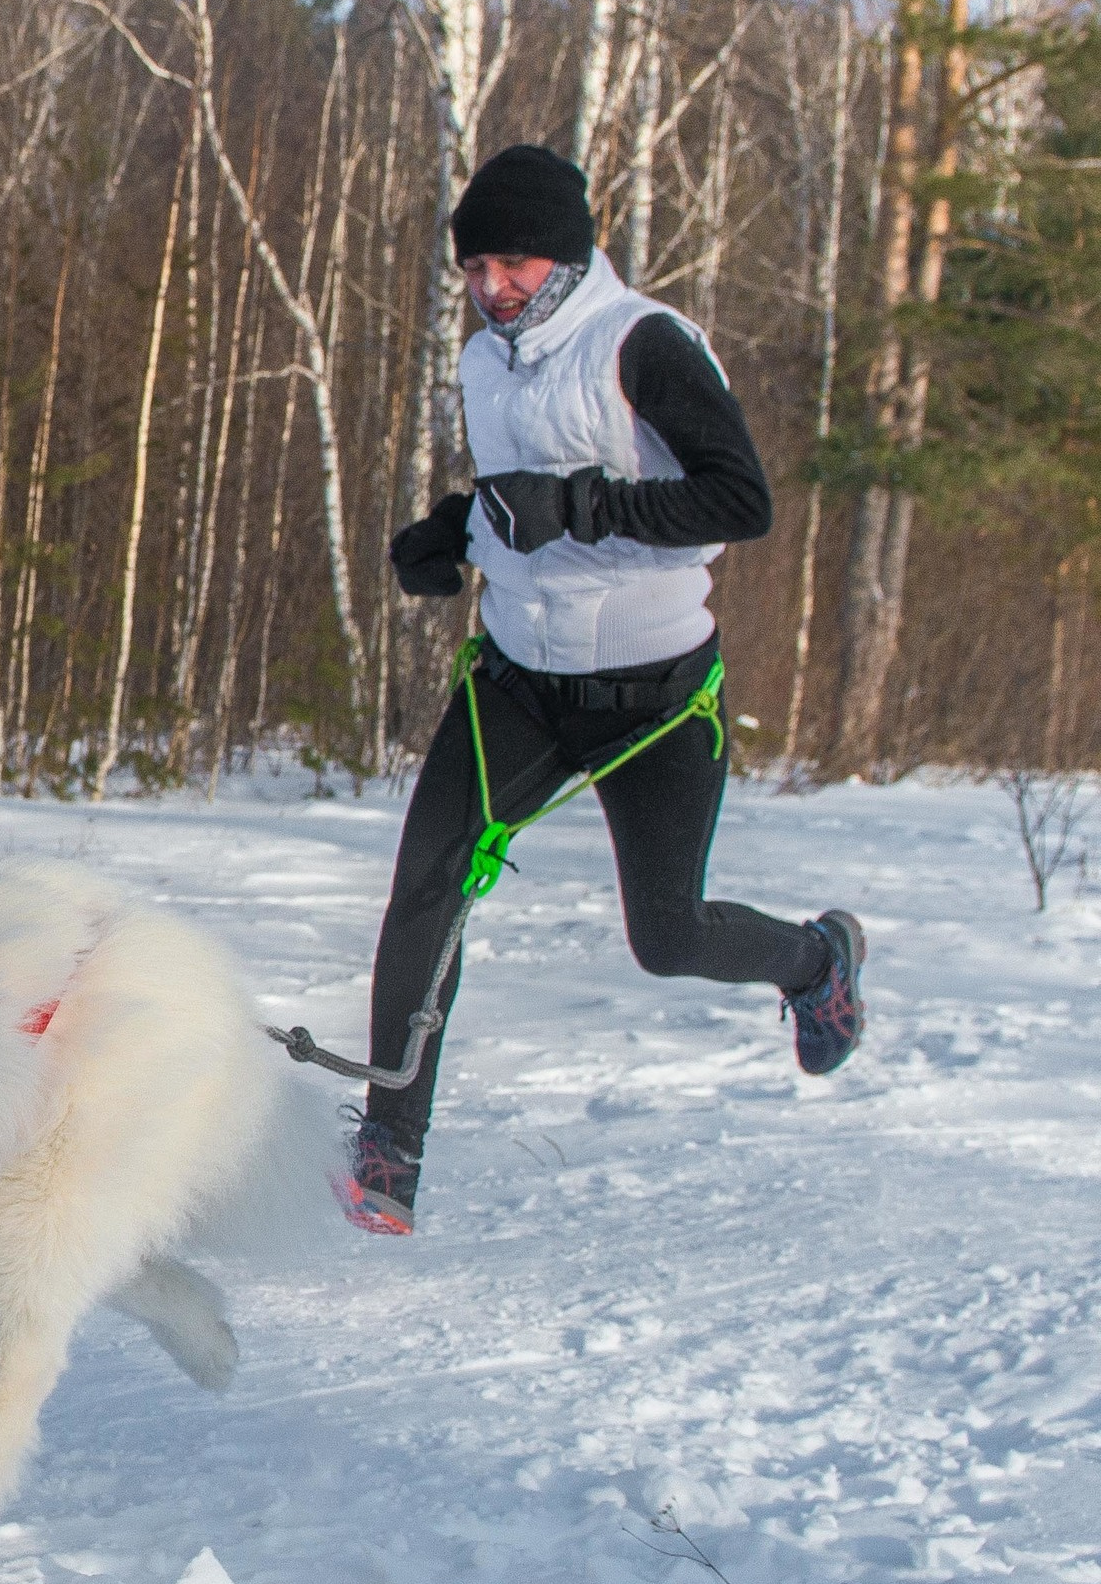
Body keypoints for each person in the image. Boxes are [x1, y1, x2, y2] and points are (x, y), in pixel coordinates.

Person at [346, 144, 865, 1237]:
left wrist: (579, 508)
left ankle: (818, 959)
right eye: (476, 264)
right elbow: (509, 492)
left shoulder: (644, 343)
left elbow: (740, 500)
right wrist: (450, 532)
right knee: (425, 891)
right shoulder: (487, 362)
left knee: (667, 934)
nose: (493, 287)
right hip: (519, 681)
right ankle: (389, 1150)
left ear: (572, 256)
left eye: (517, 262)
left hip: (655, 690)